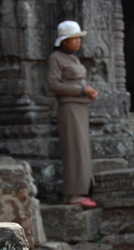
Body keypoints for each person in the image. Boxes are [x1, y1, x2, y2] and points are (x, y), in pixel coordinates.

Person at [47, 21, 99, 208]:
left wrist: (87, 91)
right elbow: (53, 85)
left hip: (80, 106)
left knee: (81, 149)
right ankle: (75, 193)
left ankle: (78, 192)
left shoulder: (73, 59)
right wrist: (80, 90)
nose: (78, 42)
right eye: (73, 38)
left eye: (78, 38)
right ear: (64, 41)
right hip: (69, 108)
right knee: (74, 149)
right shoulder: (56, 58)